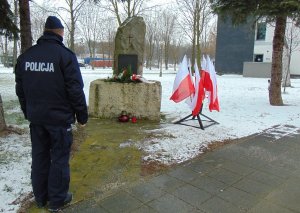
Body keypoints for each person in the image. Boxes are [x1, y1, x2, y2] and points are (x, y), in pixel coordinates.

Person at [15, 16, 88, 212]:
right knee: (59, 159)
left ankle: (40, 197)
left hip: (37, 119)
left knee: (39, 156)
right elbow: (75, 89)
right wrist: (82, 116)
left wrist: (28, 111)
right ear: (60, 32)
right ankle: (57, 201)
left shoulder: (26, 56)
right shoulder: (65, 56)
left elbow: (20, 90)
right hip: (59, 120)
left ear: (45, 31)